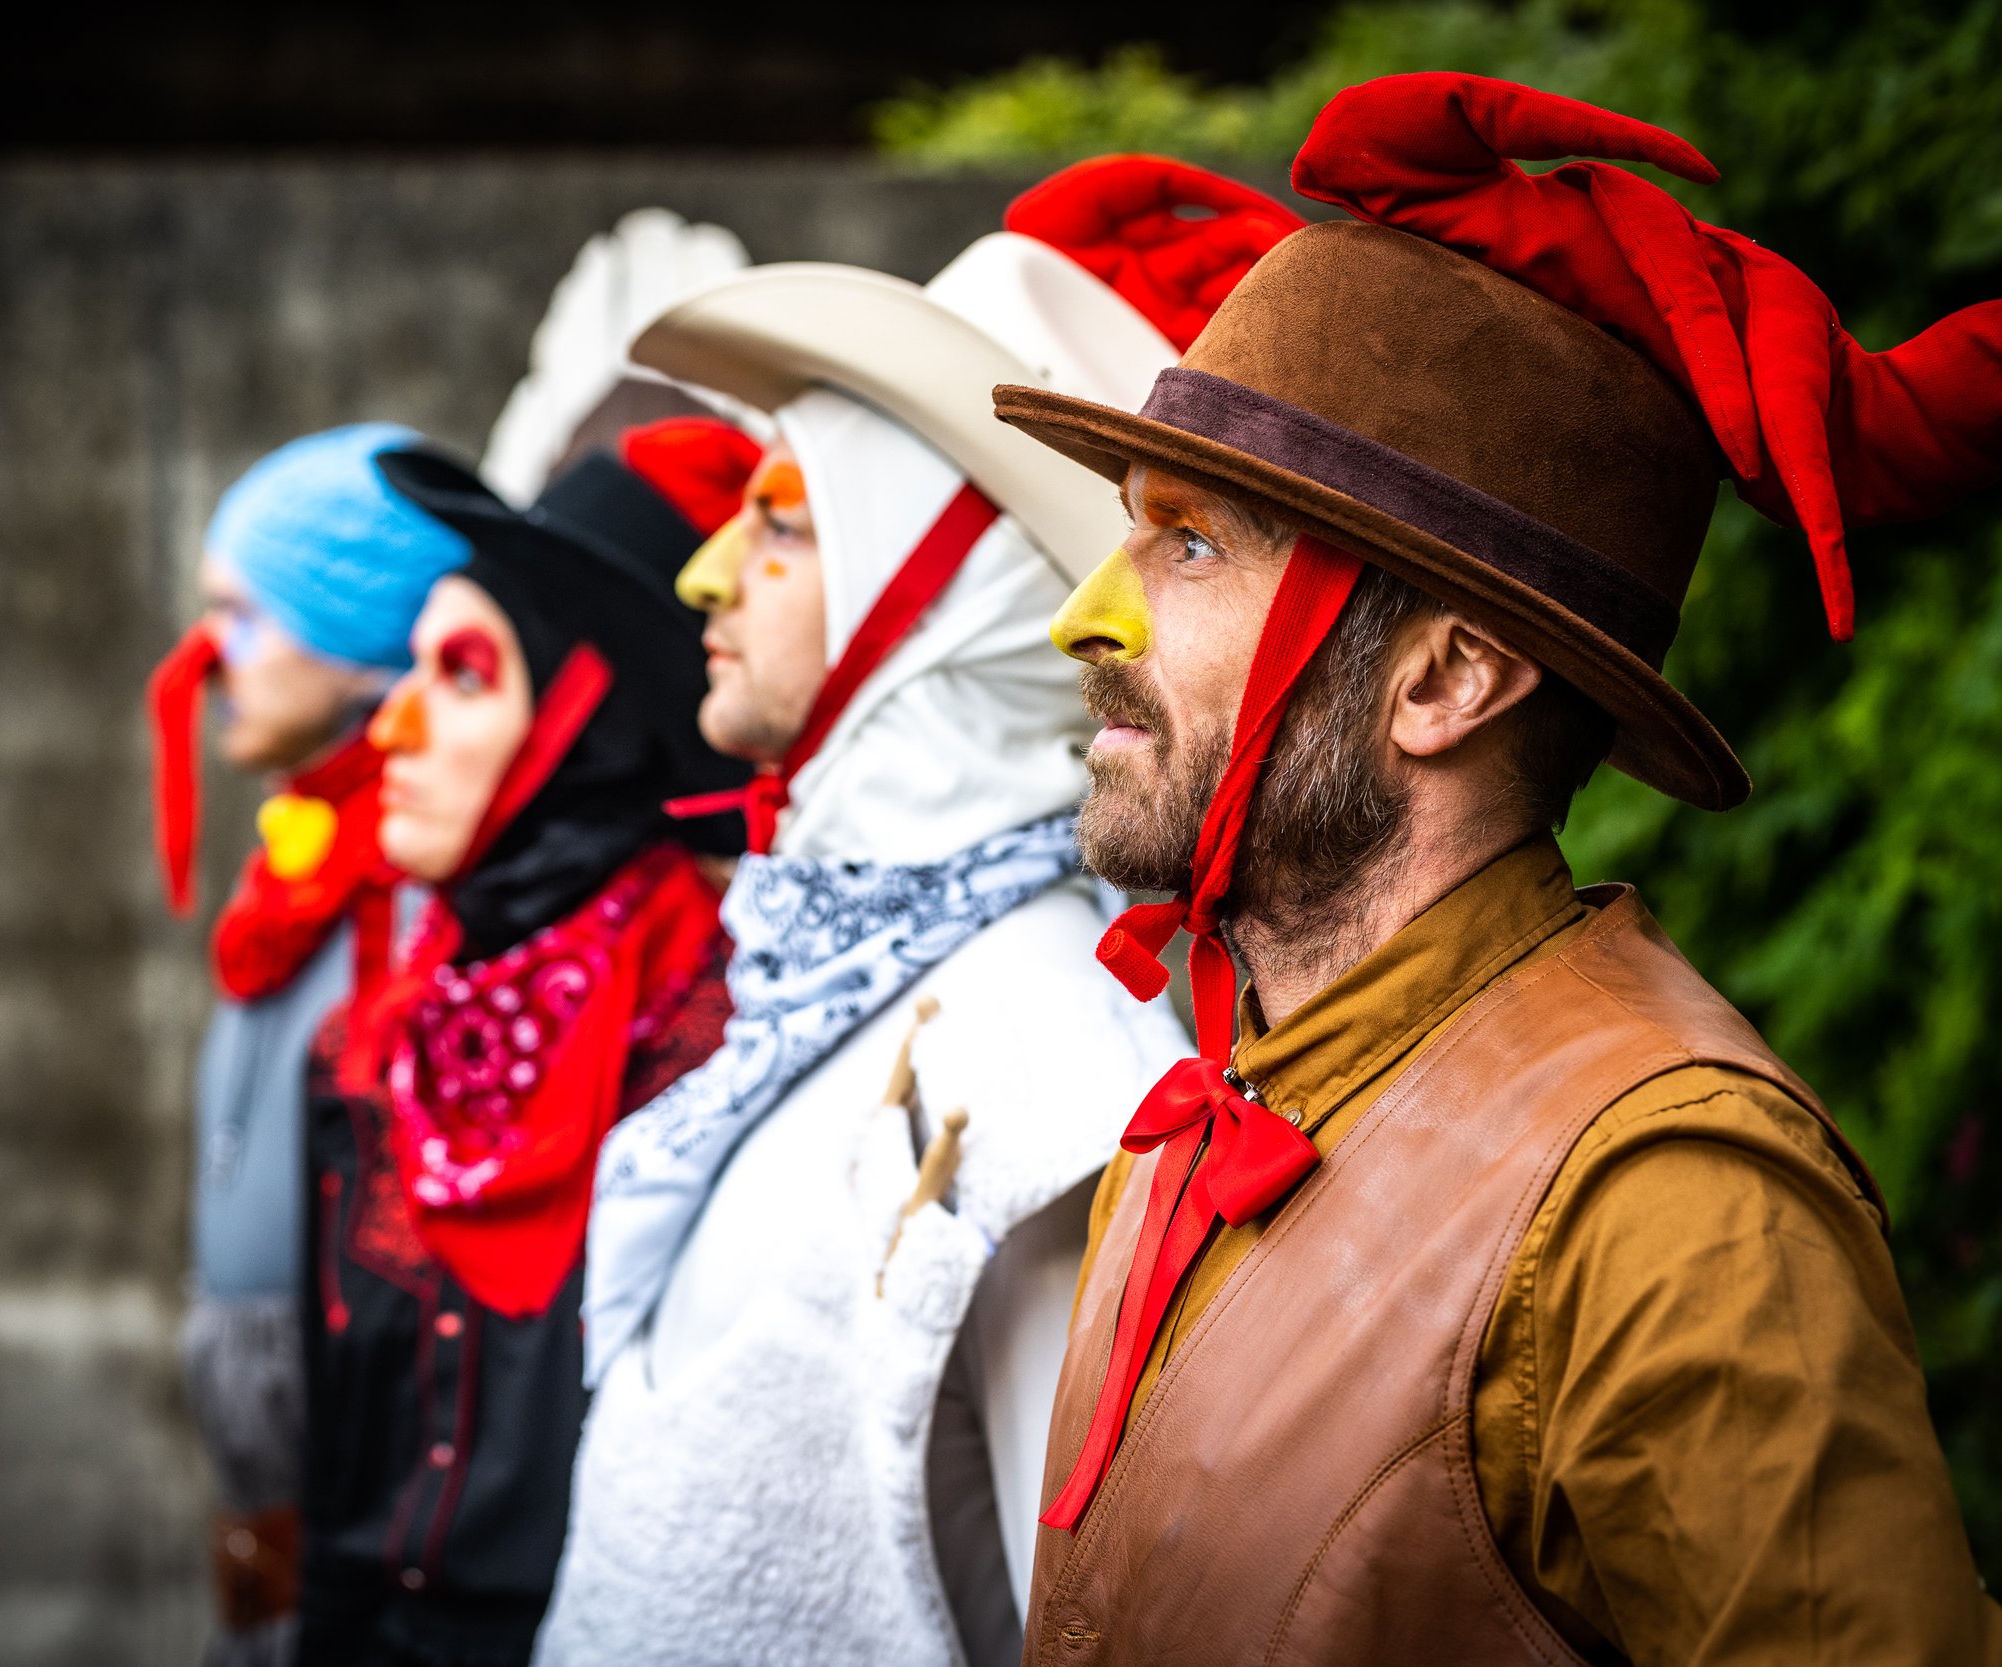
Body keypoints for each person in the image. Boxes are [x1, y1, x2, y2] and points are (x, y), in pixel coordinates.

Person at [992, 73, 2002, 1665]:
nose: (1085, 618)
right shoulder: (1224, 1093)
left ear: (1446, 682)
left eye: (1188, 543)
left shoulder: (1668, 1204)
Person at [539, 160, 1299, 1667]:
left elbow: (1077, 1619)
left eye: (783, 521)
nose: (703, 573)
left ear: (944, 591)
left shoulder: (1046, 1068)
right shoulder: (834, 983)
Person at [295, 418, 761, 1666]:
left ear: (582, 722)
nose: (386, 729)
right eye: (410, 669)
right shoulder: (362, 1044)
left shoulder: (720, 1044)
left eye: (461, 675)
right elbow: (338, 1438)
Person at [145, 424, 470, 1667]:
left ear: (353, 631)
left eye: (241, 612)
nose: (207, 659)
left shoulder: (420, 895)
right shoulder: (301, 870)